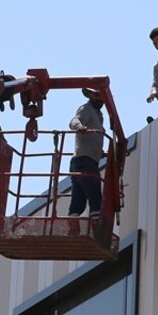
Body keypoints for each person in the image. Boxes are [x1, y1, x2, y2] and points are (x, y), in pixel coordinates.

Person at [67, 87, 105, 219]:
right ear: (90, 95)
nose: (100, 99)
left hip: (82, 161)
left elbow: (94, 138)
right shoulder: (86, 109)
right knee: (95, 196)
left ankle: (71, 227)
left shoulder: (97, 115)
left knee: (79, 201)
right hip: (85, 160)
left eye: (102, 96)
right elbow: (74, 121)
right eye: (96, 95)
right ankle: (96, 226)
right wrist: (79, 127)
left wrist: (101, 152)